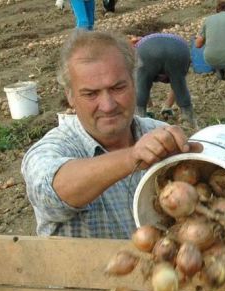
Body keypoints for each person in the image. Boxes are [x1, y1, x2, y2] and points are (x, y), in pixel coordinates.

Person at [21, 30, 200, 239]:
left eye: (117, 88)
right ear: (70, 96)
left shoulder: (158, 132)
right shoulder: (54, 147)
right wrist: (132, 157)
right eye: (90, 94)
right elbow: (49, 194)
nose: (107, 106)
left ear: (134, 83)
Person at [131, 33, 198, 129]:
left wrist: (148, 107)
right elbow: (176, 87)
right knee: (179, 83)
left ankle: (140, 119)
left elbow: (142, 85)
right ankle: (189, 120)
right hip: (179, 49)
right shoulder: (147, 41)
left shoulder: (141, 45)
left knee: (142, 83)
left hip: (147, 51)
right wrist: (167, 107)